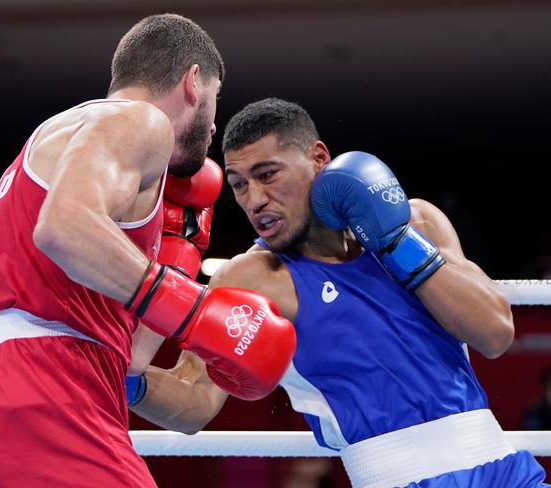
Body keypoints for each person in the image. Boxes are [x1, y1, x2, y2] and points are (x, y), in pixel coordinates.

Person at [0, 17, 297, 488]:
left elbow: (128, 360)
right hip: (45, 383)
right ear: (193, 83)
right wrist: (191, 311)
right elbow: (63, 227)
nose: (214, 127)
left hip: (6, 390)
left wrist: (180, 249)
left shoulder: (76, 137)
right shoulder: (138, 120)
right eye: (215, 99)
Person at [126, 98, 549, 487]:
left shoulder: (417, 222)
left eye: (267, 175)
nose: (255, 200)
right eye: (239, 185)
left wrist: (395, 242)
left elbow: (495, 334)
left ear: (318, 159)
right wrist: (120, 374)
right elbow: (195, 399)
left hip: (507, 469)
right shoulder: (252, 278)